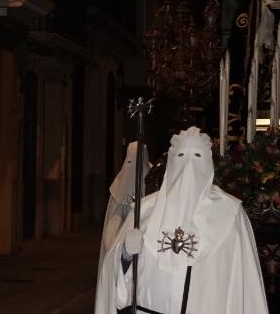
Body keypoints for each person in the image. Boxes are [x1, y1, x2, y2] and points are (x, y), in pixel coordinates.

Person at [94, 127, 269, 314]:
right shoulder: (144, 211)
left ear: (209, 163)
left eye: (197, 156)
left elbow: (244, 287)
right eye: (181, 156)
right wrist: (126, 254)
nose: (188, 166)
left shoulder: (229, 214)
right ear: (170, 161)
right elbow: (115, 285)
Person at [96, 141, 149, 285]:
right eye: (130, 162)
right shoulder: (119, 185)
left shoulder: (152, 182)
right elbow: (111, 226)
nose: (134, 170)